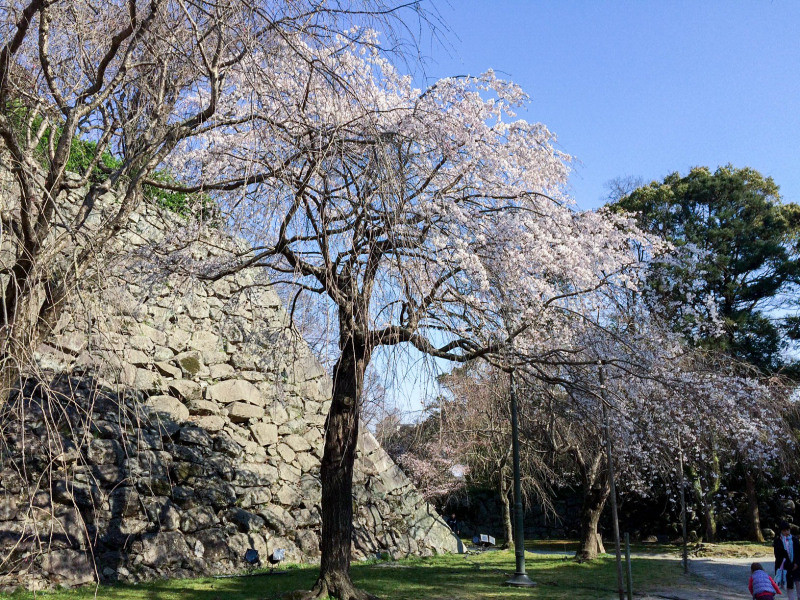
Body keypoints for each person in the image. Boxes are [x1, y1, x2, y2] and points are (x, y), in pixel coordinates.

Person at [774, 521, 800, 600]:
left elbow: (799, 553)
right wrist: (789, 566)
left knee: (798, 583)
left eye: (788, 530)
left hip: (796, 566)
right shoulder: (778, 541)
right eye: (784, 530)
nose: (786, 532)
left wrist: (796, 563)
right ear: (781, 531)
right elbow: (778, 556)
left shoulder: (795, 540)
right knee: (790, 586)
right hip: (786, 567)